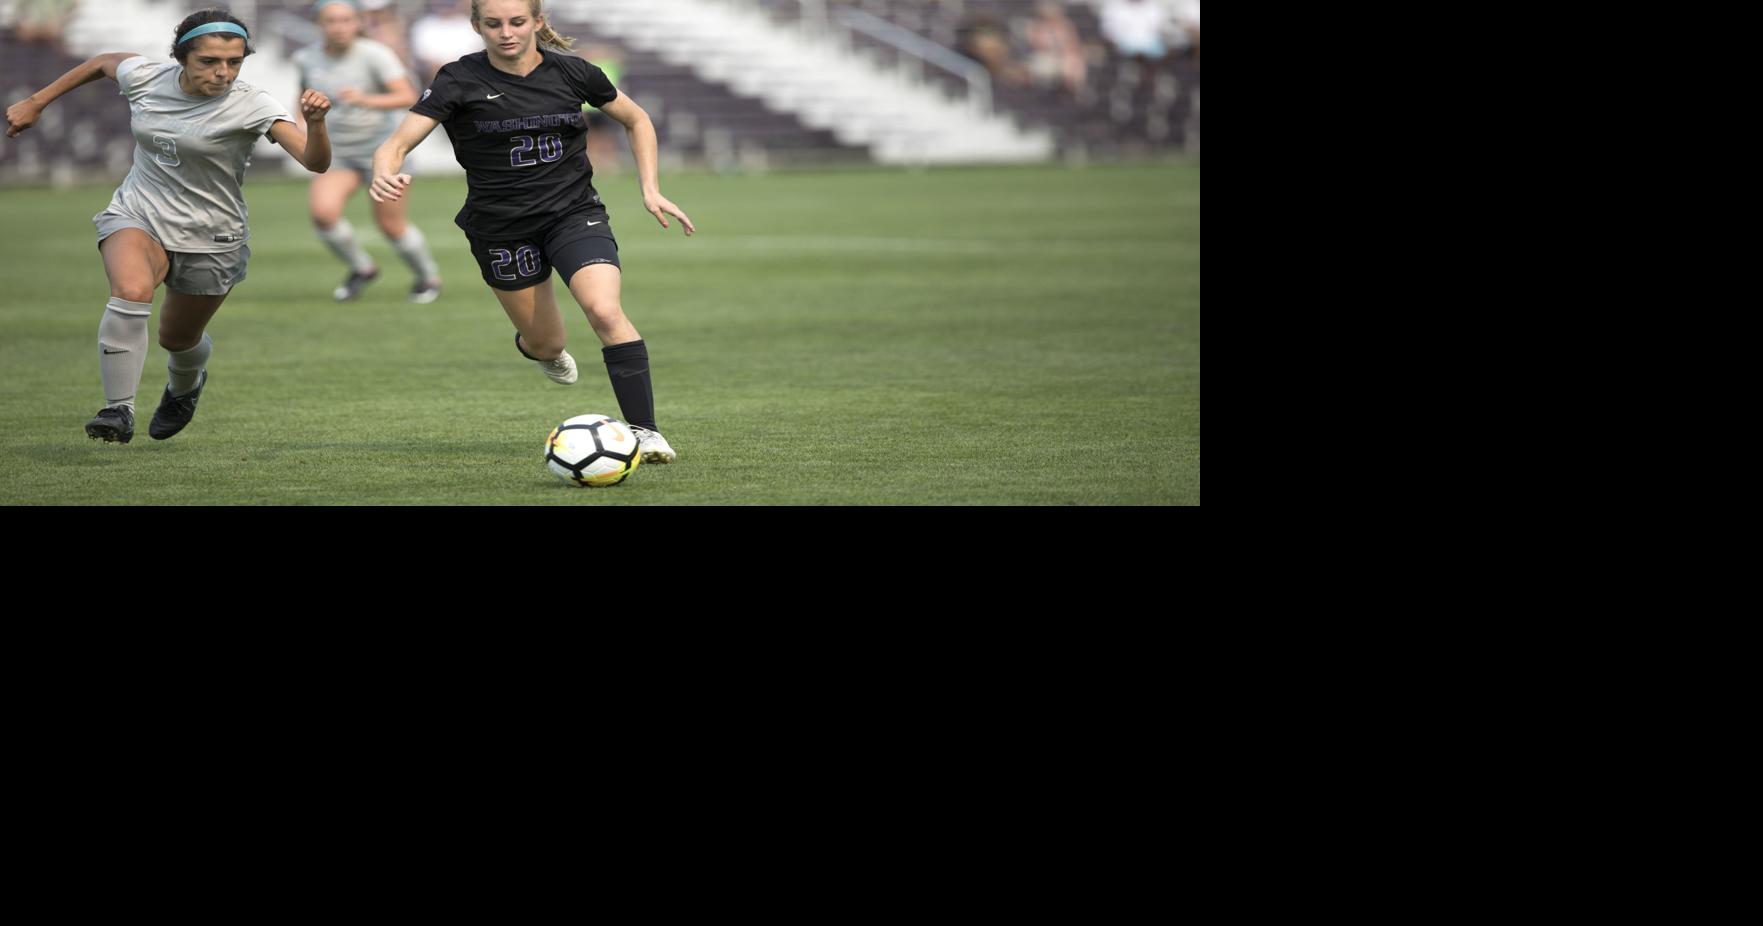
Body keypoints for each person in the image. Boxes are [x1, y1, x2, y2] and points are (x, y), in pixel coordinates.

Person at [370, 0, 693, 463]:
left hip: (573, 214)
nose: (507, 33)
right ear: (477, 26)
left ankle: (646, 431)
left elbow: (636, 118)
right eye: (494, 24)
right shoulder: (458, 79)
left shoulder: (574, 72)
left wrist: (651, 188)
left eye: (518, 22)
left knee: (603, 310)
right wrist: (386, 170)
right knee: (548, 342)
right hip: (500, 229)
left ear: (537, 23)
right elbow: (396, 144)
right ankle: (537, 349)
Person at [4, 9, 332, 444]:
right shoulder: (145, 77)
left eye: (234, 62)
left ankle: (185, 387)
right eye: (209, 61)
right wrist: (36, 101)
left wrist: (316, 123)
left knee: (177, 339)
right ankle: (118, 409)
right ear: (180, 57)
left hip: (212, 234)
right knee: (132, 289)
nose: (223, 72)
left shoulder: (253, 103)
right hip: (138, 212)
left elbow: (314, 162)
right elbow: (101, 62)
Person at [296, 0, 442, 302]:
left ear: (359, 22)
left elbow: (408, 96)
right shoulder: (306, 58)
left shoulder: (375, 55)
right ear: (318, 25)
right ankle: (363, 268)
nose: (339, 27)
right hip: (339, 153)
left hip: (383, 152)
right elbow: (303, 97)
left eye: (346, 20)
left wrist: (364, 99)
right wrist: (300, 125)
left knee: (390, 224)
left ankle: (428, 278)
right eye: (331, 20)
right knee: (323, 214)